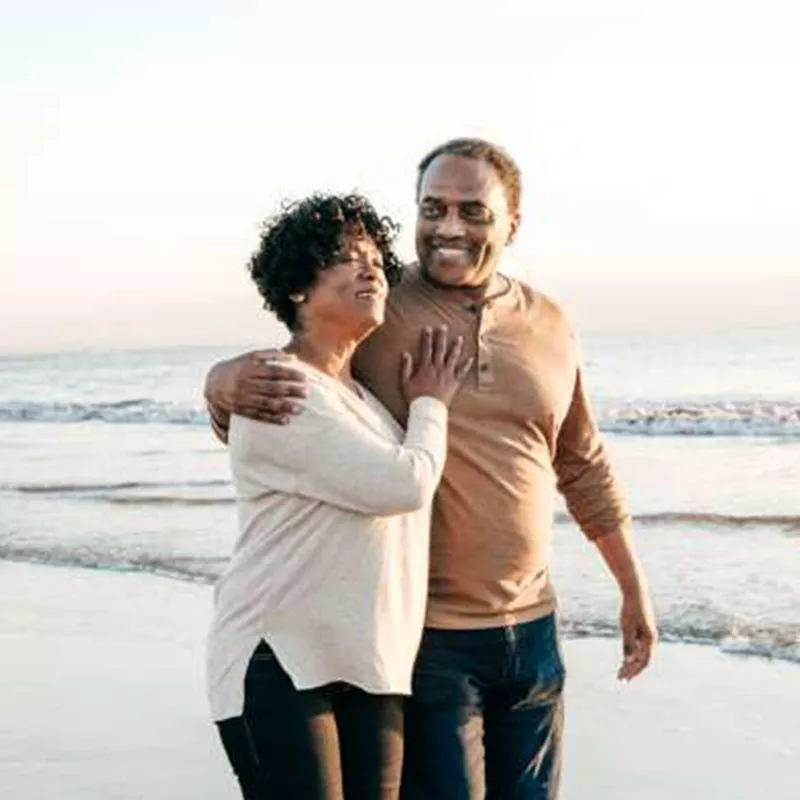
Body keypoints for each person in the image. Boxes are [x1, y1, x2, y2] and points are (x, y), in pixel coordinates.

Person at [205, 139, 657, 800]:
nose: (449, 227)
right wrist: (219, 382)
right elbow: (297, 378)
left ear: (512, 224)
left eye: (473, 211)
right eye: (433, 207)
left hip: (533, 632)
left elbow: (580, 461)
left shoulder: (551, 323)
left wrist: (631, 585)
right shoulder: (381, 313)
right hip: (428, 640)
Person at [206, 192, 472, 800]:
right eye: (347, 258)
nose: (371, 268)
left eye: (376, 257)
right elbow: (404, 484)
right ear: (298, 286)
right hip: (279, 658)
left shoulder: (364, 403)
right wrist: (431, 400)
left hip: (370, 663)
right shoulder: (281, 388)